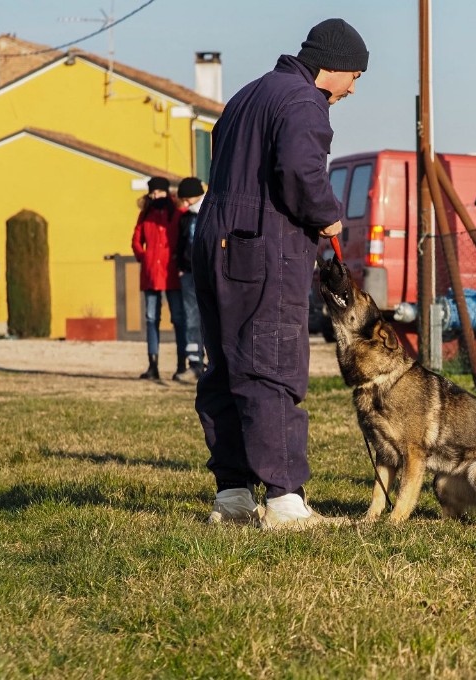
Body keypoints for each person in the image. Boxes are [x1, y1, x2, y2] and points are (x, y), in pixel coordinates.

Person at [192, 18, 368, 528]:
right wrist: (327, 211)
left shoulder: (249, 94)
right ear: (330, 65)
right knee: (270, 363)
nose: (353, 88)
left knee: (226, 365)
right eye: (354, 75)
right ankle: (285, 500)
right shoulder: (303, 100)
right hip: (261, 244)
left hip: (216, 239)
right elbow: (299, 171)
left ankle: (233, 497)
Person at [131, 176, 187, 381]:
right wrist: (143, 258)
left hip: (172, 273)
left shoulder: (178, 213)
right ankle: (152, 365)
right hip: (150, 275)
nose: (155, 196)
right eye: (152, 193)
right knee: (151, 319)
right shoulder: (145, 215)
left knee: (179, 319)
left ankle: (182, 365)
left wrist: (179, 260)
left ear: (166, 192)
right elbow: (136, 241)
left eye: (158, 193)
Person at [174, 176, 206, 383]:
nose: (185, 204)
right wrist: (180, 267)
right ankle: (195, 364)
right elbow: (181, 243)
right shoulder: (186, 217)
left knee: (214, 319)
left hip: (208, 274)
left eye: (188, 200)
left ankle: (216, 364)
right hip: (188, 274)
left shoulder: (210, 212)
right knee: (191, 320)